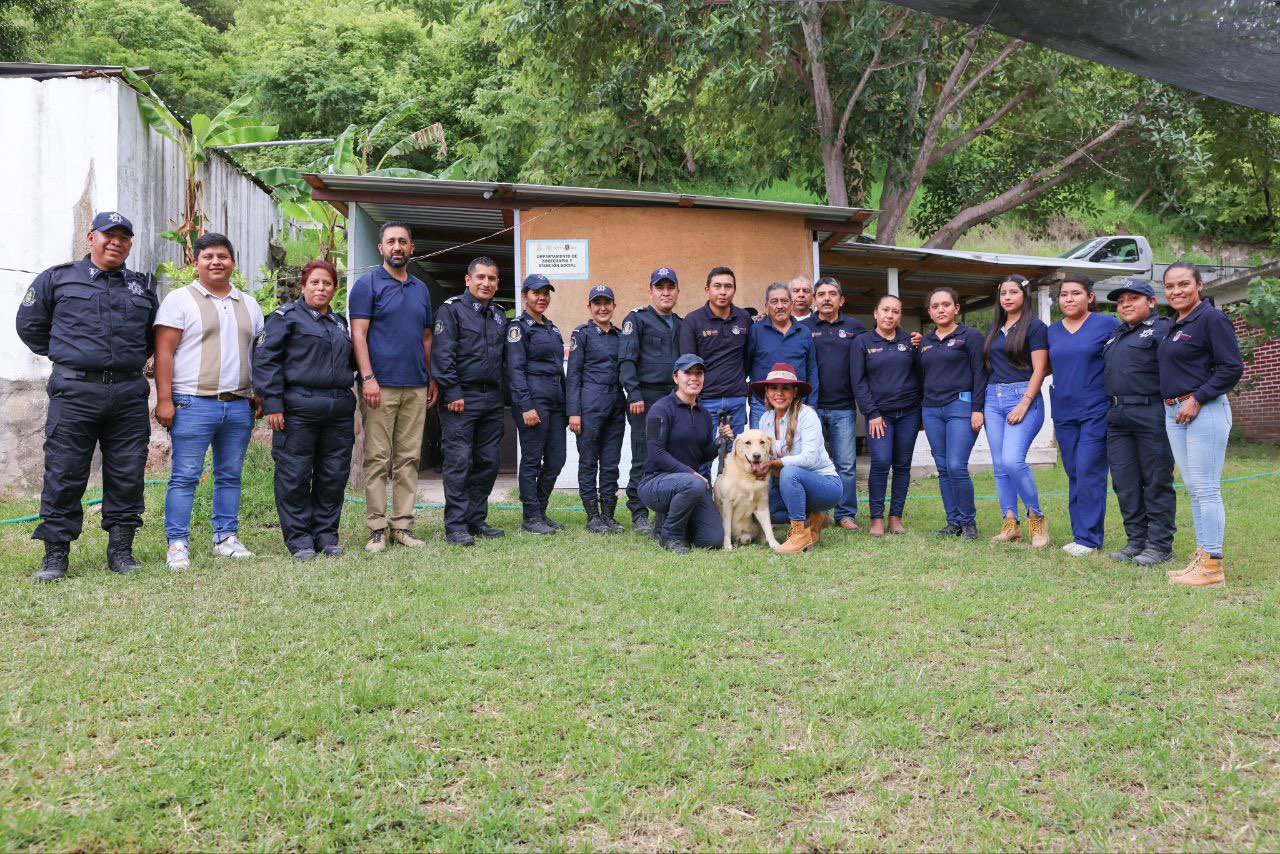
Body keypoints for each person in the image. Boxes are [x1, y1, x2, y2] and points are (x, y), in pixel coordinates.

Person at [16, 211, 157, 582]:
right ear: (90, 237)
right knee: (65, 470)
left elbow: (148, 339)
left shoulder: (140, 287)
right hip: (75, 390)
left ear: (129, 244)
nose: (116, 242)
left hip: (127, 392)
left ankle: (121, 550)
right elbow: (31, 327)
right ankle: (56, 554)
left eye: (124, 237)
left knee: (128, 471)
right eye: (108, 235)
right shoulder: (58, 278)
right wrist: (73, 357)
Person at [154, 233, 264, 570]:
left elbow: (258, 355)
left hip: (238, 405)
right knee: (186, 475)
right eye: (208, 257)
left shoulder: (250, 304)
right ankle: (177, 544)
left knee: (229, 475)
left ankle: (225, 538)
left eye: (223, 256)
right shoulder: (179, 300)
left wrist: (258, 393)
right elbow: (164, 352)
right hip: (192, 403)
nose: (216, 262)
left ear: (233, 262)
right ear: (196, 263)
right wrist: (164, 400)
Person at [252, 259, 357, 561]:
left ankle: (326, 535)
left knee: (333, 474)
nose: (321, 288)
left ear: (334, 289)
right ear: (303, 286)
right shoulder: (286, 318)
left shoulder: (339, 323)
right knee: (295, 474)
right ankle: (299, 539)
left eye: (327, 283)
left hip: (337, 409)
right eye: (315, 282)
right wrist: (272, 403)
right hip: (297, 408)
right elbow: (266, 361)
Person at [348, 221, 437, 553]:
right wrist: (368, 378)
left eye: (403, 241)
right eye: (391, 241)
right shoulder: (367, 285)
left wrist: (429, 377)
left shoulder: (420, 289)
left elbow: (427, 338)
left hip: (415, 385)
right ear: (381, 248)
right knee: (377, 458)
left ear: (411, 248)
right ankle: (376, 528)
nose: (397, 246)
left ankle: (403, 525)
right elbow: (358, 334)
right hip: (379, 386)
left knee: (409, 458)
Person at [1158, 262, 1244, 587]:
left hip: (1202, 410)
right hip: (1174, 413)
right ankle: (1202, 555)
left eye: (1183, 284)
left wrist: (1197, 398)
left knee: (1206, 488)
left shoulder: (1211, 318)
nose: (1176, 291)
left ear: (1199, 285)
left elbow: (1231, 367)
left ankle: (1212, 565)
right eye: (1170, 286)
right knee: (1194, 488)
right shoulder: (1176, 322)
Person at [432, 257, 509, 546]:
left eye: (491, 278)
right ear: (468, 280)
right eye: (480, 277)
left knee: (488, 461)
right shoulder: (451, 311)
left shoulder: (500, 315)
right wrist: (452, 392)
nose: (486, 283)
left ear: (497, 283)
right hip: (461, 398)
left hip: (492, 398)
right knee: (459, 461)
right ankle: (456, 525)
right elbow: (442, 354)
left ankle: (476, 519)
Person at [1102, 278, 1176, 566]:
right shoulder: (1116, 335)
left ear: (1151, 302)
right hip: (1117, 417)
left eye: (1133, 298)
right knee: (1125, 482)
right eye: (1121, 301)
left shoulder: (1163, 330)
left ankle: (1159, 546)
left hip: (1151, 413)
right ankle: (1136, 541)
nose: (1126, 304)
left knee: (1156, 480)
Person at [1047, 274, 1121, 557]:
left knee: (1090, 470)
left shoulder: (1107, 324)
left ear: (1090, 297)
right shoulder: (1052, 331)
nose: (1068, 299)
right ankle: (1081, 534)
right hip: (1064, 411)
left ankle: (1088, 539)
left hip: (1095, 409)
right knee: (1074, 471)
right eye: (1064, 294)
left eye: (1075, 293)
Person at [982, 276, 1051, 548]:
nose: (1007, 297)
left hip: (1022, 397)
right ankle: (1010, 522)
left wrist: (1024, 402)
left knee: (1012, 460)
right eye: (1003, 293)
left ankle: (1036, 516)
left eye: (1013, 292)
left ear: (1025, 295)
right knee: (999, 466)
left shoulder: (1035, 327)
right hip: (992, 398)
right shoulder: (996, 327)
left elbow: (1040, 369)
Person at [636, 354, 727, 552]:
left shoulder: (703, 414)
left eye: (699, 373)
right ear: (676, 378)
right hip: (655, 482)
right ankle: (670, 537)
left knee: (712, 540)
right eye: (688, 373)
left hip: (687, 486)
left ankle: (667, 522)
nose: (694, 378)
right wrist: (691, 474)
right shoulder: (659, 409)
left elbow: (701, 455)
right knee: (695, 482)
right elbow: (655, 452)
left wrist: (719, 443)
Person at [850, 294, 922, 538]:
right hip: (879, 416)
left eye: (895, 311)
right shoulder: (862, 342)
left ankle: (895, 517)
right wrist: (872, 413)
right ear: (875, 313)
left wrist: (921, 411)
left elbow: (920, 376)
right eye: (885, 310)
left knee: (902, 465)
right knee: (881, 462)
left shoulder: (910, 341)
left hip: (909, 413)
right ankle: (877, 518)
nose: (890, 316)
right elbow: (858, 382)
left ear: (900, 315)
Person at [918, 287, 986, 539]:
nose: (940, 310)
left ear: (956, 308)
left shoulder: (970, 336)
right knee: (943, 467)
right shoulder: (925, 342)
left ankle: (969, 523)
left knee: (957, 465)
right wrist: (920, 413)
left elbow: (980, 373)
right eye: (935, 306)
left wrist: (977, 409)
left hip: (961, 406)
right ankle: (953, 522)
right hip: (931, 410)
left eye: (946, 305)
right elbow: (920, 377)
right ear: (929, 311)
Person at [619, 266, 682, 534]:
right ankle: (638, 512)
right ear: (651, 291)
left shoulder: (681, 322)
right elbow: (626, 360)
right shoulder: (637, 319)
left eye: (670, 287)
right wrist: (633, 394)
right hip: (646, 399)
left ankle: (665, 509)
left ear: (677, 291)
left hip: (674, 396)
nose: (665, 293)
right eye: (660, 287)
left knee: (672, 453)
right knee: (644, 455)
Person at [755, 363, 843, 553]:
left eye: (785, 388)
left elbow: (809, 458)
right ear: (766, 391)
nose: (779, 393)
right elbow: (762, 455)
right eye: (773, 388)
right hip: (788, 486)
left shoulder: (807, 415)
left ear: (795, 392)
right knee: (764, 510)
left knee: (789, 472)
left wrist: (775, 463)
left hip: (826, 486)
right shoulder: (765, 419)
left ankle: (800, 535)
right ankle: (815, 518)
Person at [802, 277, 867, 531]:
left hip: (843, 407)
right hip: (811, 408)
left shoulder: (855, 327)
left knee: (846, 464)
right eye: (821, 294)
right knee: (815, 463)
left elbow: (877, 342)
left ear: (841, 300)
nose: (826, 298)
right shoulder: (804, 328)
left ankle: (846, 513)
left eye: (832, 294)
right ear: (814, 300)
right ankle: (820, 513)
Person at [676, 266, 753, 475]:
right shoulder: (693, 320)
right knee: (703, 457)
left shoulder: (744, 318)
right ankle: (703, 505)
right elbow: (688, 363)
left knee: (736, 458)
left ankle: (730, 506)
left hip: (736, 399)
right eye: (717, 286)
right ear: (707, 289)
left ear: (734, 290)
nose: (723, 291)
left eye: (728, 286)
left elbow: (747, 357)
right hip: (705, 401)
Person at [507, 273, 567, 535]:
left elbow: (558, 369)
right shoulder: (518, 327)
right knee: (532, 460)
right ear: (525, 296)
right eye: (536, 293)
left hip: (555, 402)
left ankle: (540, 511)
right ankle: (530, 517)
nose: (542, 297)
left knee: (557, 460)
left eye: (546, 293)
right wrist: (525, 405)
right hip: (533, 400)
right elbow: (515, 369)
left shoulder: (551, 328)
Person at [568, 284, 626, 534]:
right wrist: (574, 412)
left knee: (611, 463)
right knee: (589, 462)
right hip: (589, 406)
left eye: (607, 303)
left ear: (614, 305)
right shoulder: (581, 334)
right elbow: (573, 375)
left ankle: (609, 515)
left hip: (615, 406)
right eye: (597, 303)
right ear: (589, 307)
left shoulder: (620, 335)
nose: (602, 308)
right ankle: (593, 516)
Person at [746, 282, 818, 428]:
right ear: (766, 306)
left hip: (796, 406)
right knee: (760, 450)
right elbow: (746, 364)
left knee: (795, 450)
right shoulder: (755, 331)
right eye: (774, 301)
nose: (780, 306)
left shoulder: (804, 332)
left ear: (791, 304)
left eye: (784, 301)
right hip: (762, 405)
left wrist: (812, 405)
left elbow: (812, 370)